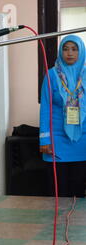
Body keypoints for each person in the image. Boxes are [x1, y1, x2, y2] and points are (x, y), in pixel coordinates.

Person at [40, 35, 86, 198]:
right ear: (60, 52)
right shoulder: (51, 75)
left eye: (74, 49)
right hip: (57, 141)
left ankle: (78, 224)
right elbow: (45, 108)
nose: (70, 53)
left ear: (81, 52)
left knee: (79, 193)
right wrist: (45, 139)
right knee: (59, 192)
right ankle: (59, 224)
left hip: (83, 141)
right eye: (65, 49)